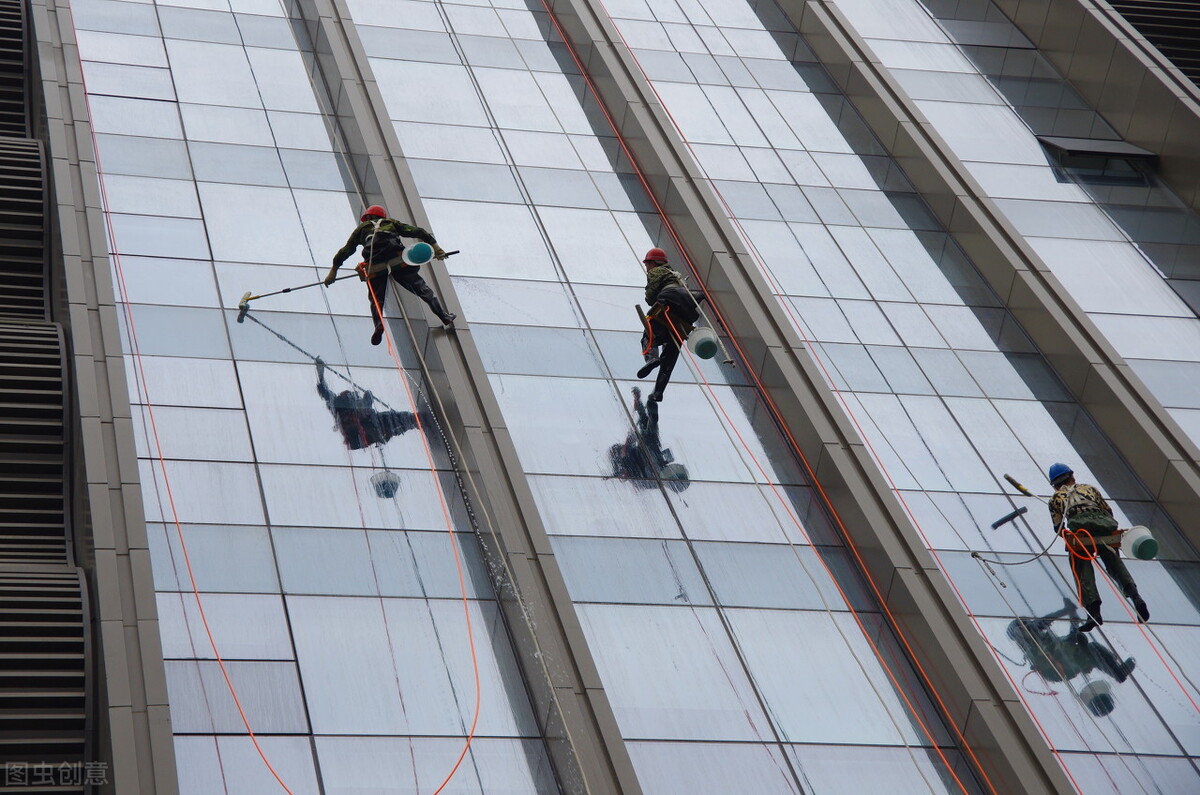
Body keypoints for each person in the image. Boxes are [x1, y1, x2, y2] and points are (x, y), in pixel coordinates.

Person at [326, 205, 455, 345]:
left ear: (368, 217)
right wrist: (436, 248)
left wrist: (333, 270)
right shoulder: (391, 223)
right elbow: (419, 231)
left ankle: (378, 325)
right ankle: (444, 316)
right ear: (382, 217)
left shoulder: (361, 229)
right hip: (398, 261)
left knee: (376, 300)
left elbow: (346, 250)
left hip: (375, 265)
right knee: (423, 290)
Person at [1047, 462, 1149, 630]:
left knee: (1080, 563)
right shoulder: (1089, 488)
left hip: (1080, 527)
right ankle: (1135, 596)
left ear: (1055, 485)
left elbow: (1058, 528)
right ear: (1072, 477)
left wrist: (1069, 537)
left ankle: (1094, 613)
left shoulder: (1055, 498)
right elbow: (1107, 511)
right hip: (1104, 523)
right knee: (1113, 560)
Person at [1007, 599, 1136, 716]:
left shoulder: (1049, 641)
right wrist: (1067, 610)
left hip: (1067, 667)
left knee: (1091, 647)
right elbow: (1043, 622)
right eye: (1026, 625)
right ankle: (1114, 671)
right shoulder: (1029, 641)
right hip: (1060, 669)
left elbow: (1074, 632)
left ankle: (1117, 672)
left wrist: (1072, 613)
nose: (1030, 626)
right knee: (1088, 647)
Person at [636, 247, 703, 403]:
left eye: (647, 264)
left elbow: (651, 297)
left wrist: (650, 297)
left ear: (654, 262)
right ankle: (658, 392)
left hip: (669, 300)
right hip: (685, 312)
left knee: (649, 334)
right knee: (670, 357)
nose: (647, 267)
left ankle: (651, 358)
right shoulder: (675, 275)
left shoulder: (656, 272)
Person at [316, 358, 418, 449]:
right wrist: (368, 398)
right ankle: (415, 420)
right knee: (395, 420)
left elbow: (325, 392)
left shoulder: (338, 407)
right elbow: (364, 407)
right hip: (374, 428)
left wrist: (321, 375)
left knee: (396, 420)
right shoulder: (345, 408)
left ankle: (414, 420)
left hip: (373, 429)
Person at [608, 387, 689, 491]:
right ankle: (650, 410)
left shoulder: (647, 480)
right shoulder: (655, 475)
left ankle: (650, 411)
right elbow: (644, 424)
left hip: (645, 453)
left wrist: (626, 451)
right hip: (649, 450)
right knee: (649, 430)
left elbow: (628, 470)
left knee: (649, 429)